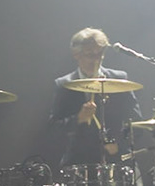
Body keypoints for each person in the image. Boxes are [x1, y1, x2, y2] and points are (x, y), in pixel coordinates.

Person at [48, 27, 145, 168]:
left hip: (117, 160)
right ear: (76, 55)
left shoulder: (119, 79)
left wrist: (119, 143)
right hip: (79, 162)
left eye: (99, 54)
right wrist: (78, 118)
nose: (95, 60)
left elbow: (136, 122)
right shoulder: (64, 84)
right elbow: (53, 129)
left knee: (137, 182)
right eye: (90, 54)